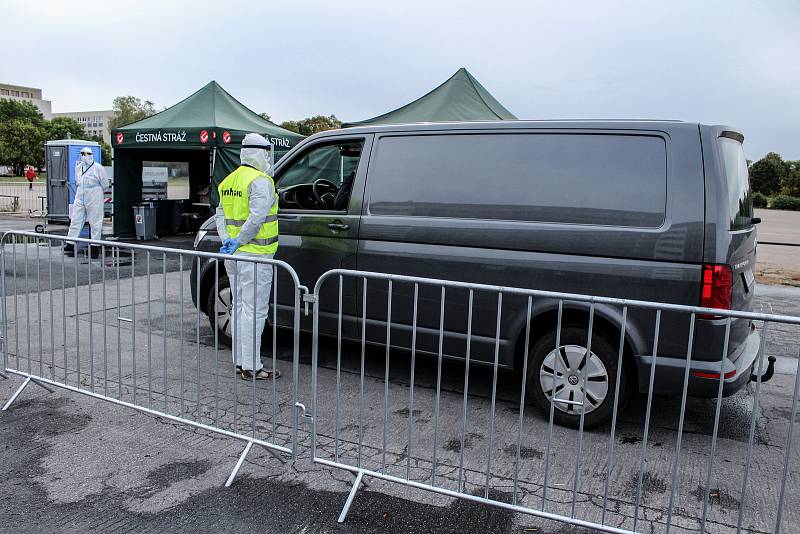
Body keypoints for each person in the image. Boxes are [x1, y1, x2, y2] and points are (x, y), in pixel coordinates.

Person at [215, 133, 280, 381]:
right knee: (254, 311)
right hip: (256, 256)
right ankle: (252, 366)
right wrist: (239, 241)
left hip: (234, 256)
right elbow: (256, 219)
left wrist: (228, 242)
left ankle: (241, 362)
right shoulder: (261, 181)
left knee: (240, 307)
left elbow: (221, 216)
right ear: (261, 153)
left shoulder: (229, 181)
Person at [64, 147, 109, 254]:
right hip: (81, 193)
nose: (85, 156)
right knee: (76, 219)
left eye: (87, 154)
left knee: (95, 220)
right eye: (83, 154)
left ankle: (95, 245)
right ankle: (70, 242)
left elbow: (105, 184)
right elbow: (77, 180)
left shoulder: (98, 168)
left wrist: (96, 191)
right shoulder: (78, 167)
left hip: (94, 193)